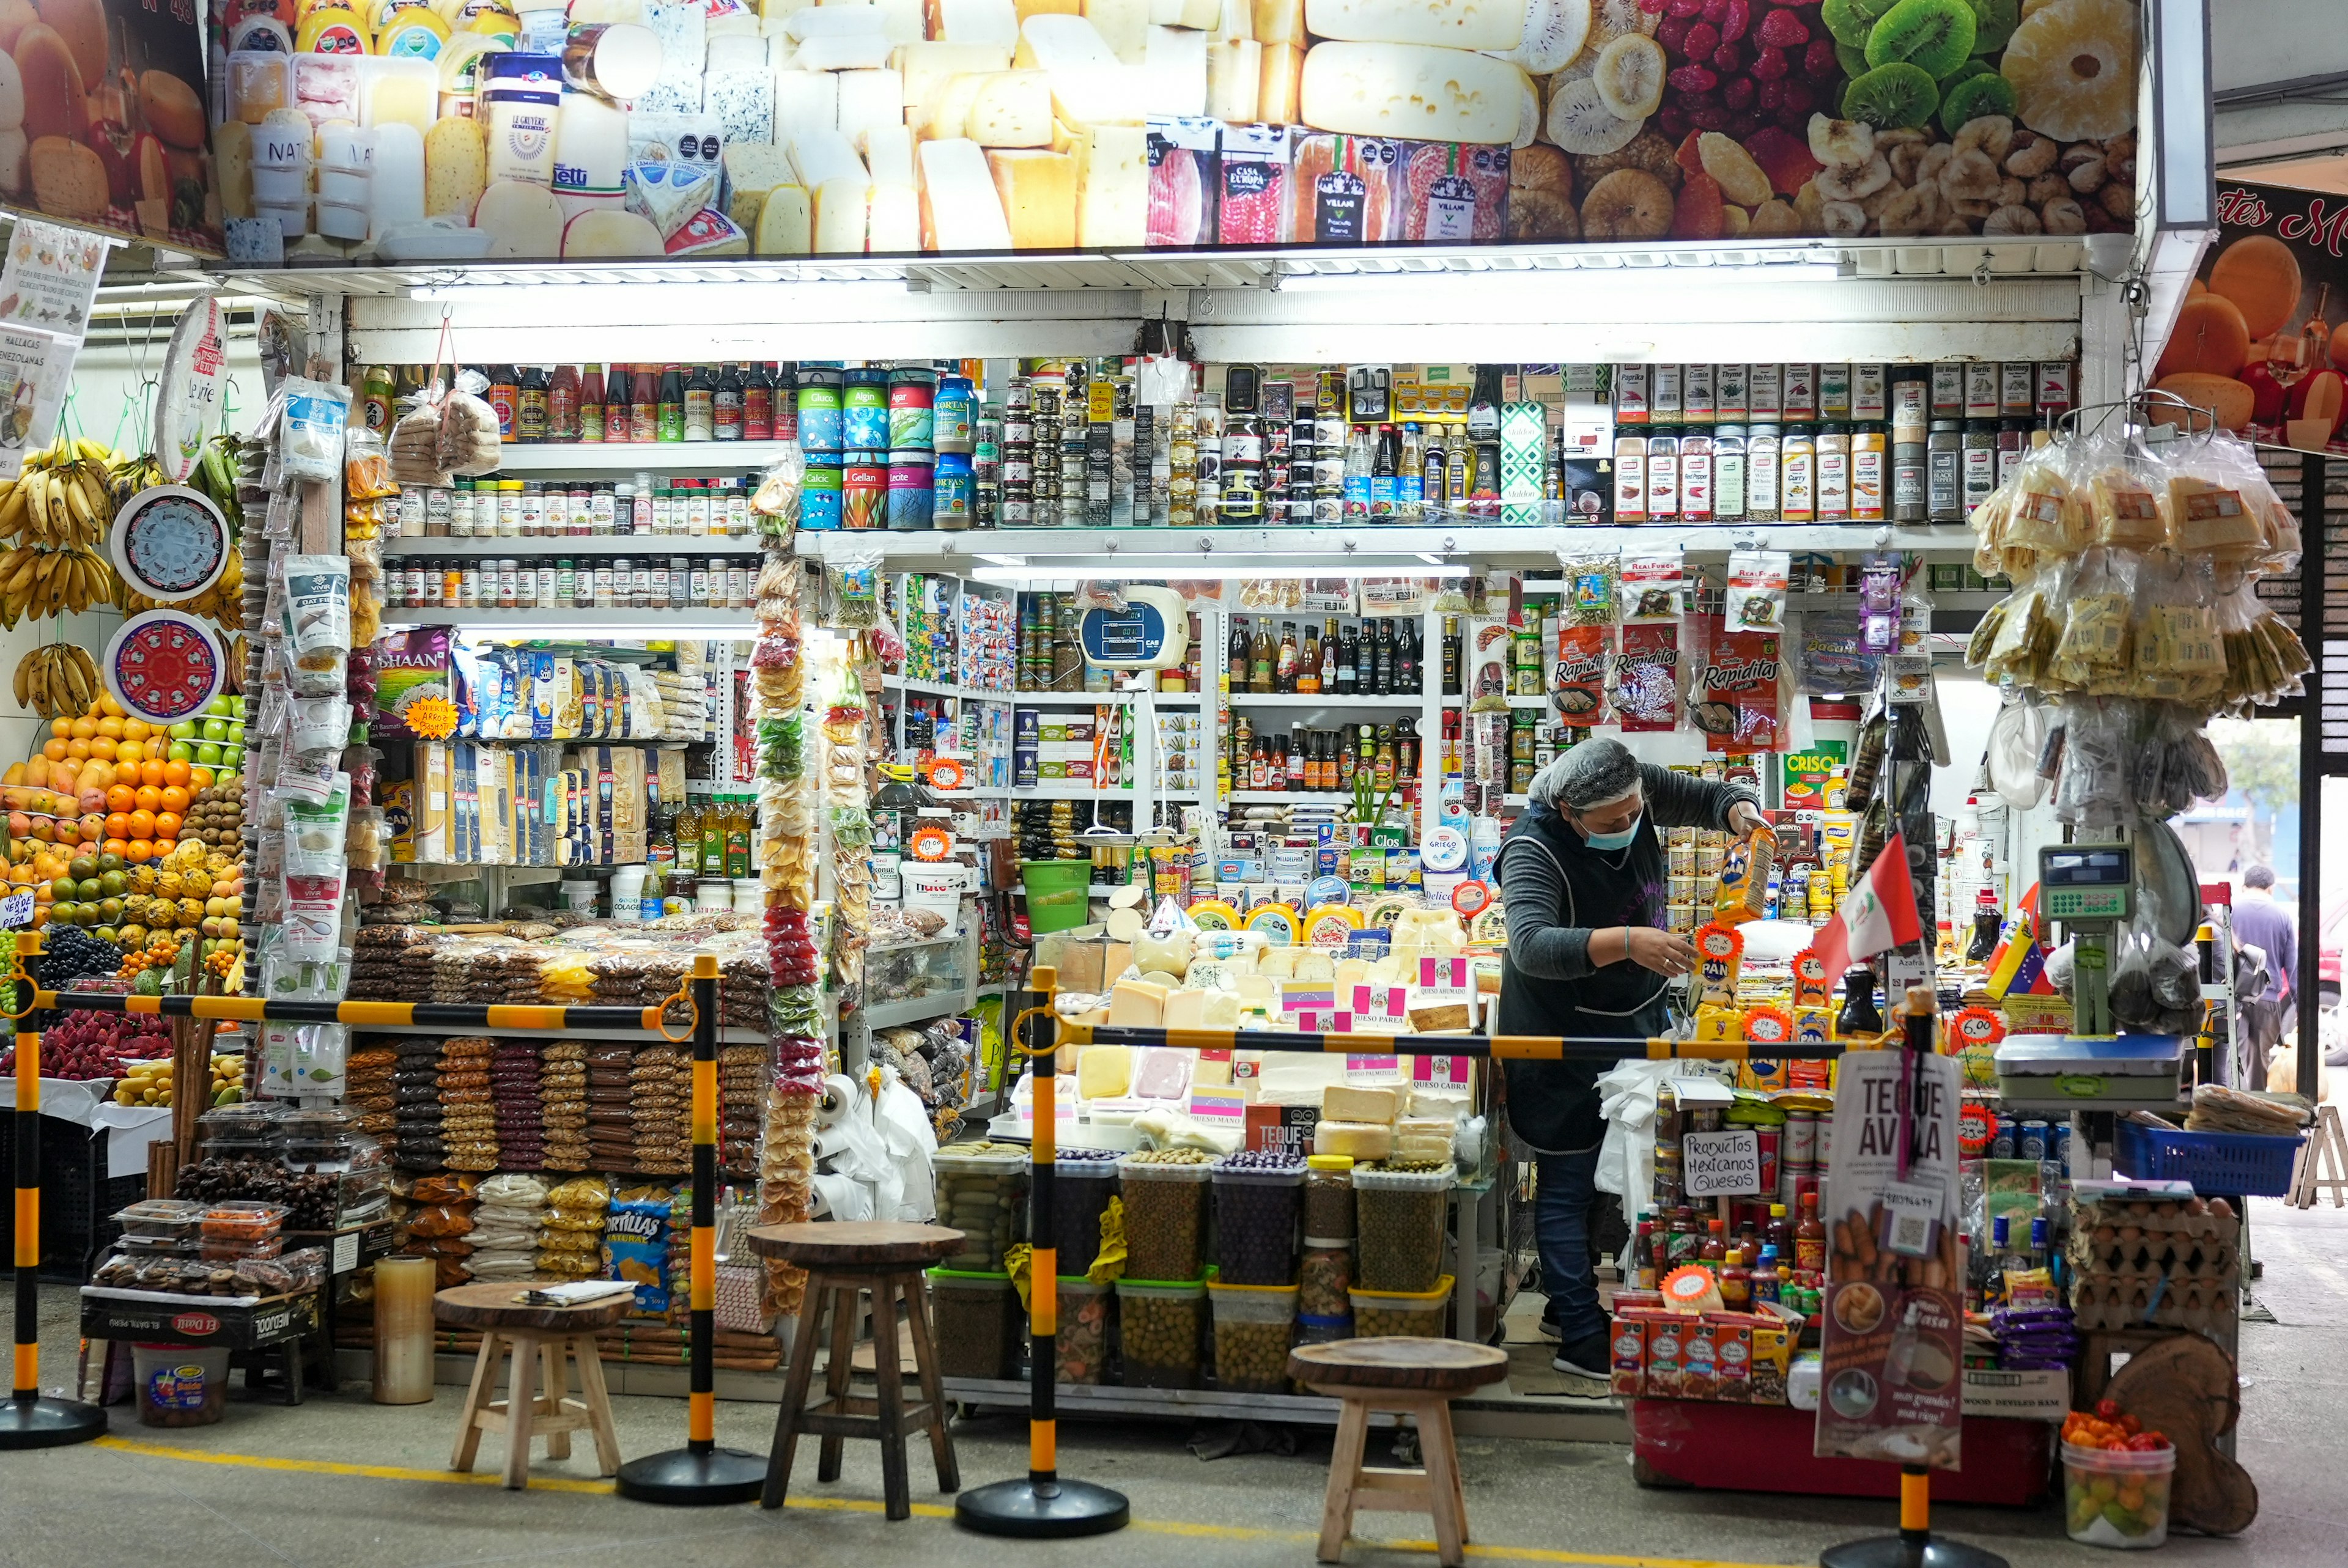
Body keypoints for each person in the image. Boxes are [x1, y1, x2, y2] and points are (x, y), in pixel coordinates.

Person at [1496, 737, 1765, 1382]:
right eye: (1611, 823)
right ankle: (1581, 1336)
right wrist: (1627, 941)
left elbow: (1705, 799)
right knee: (1566, 1182)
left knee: (1613, 1176)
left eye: (1634, 813)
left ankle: (1570, 1308)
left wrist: (1740, 813)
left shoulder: (1630, 787)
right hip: (1557, 1034)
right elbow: (1531, 945)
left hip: (1631, 1019)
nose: (1628, 825)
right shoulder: (1532, 850)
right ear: (1567, 810)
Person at [2231, 864, 2298, 1074]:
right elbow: (2293, 965)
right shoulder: (2282, 916)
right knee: (2259, 1060)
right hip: (2268, 1000)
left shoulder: (2230, 912)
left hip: (2235, 999)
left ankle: (2235, 1100)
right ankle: (2256, 1102)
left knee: (2234, 1057)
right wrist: (2300, 1004)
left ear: (2244, 887)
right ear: (2271, 888)